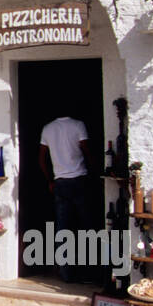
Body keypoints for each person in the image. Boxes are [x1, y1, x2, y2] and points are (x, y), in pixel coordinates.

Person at [39, 113, 100, 284]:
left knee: (63, 228)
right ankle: (92, 271)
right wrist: (95, 173)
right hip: (80, 179)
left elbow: (41, 159)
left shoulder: (48, 128)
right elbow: (87, 151)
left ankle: (66, 272)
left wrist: (50, 180)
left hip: (60, 182)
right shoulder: (78, 125)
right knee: (87, 225)